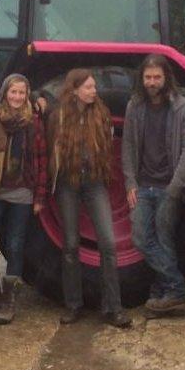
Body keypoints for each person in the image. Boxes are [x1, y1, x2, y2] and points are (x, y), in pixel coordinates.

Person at [48, 68, 131, 328]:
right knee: (71, 246)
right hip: (68, 183)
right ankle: (73, 304)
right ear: (74, 90)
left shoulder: (101, 113)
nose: (94, 91)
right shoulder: (58, 116)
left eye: (94, 87)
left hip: (95, 183)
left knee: (108, 244)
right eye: (88, 87)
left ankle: (113, 307)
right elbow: (49, 148)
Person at [122, 55, 185, 314]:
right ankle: (176, 287)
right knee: (141, 237)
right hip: (143, 186)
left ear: (166, 78)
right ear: (141, 79)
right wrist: (130, 181)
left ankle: (166, 290)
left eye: (157, 77)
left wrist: (176, 187)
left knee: (165, 239)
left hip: (169, 186)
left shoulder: (182, 108)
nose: (152, 82)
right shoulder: (135, 106)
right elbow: (129, 145)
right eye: (148, 77)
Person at [0, 74, 47, 324]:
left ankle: (8, 300)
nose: (17, 97)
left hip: (22, 193)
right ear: (5, 93)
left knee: (15, 246)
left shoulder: (34, 122)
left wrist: (39, 195)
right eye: (13, 92)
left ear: (27, 96)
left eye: (21, 93)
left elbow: (41, 159)